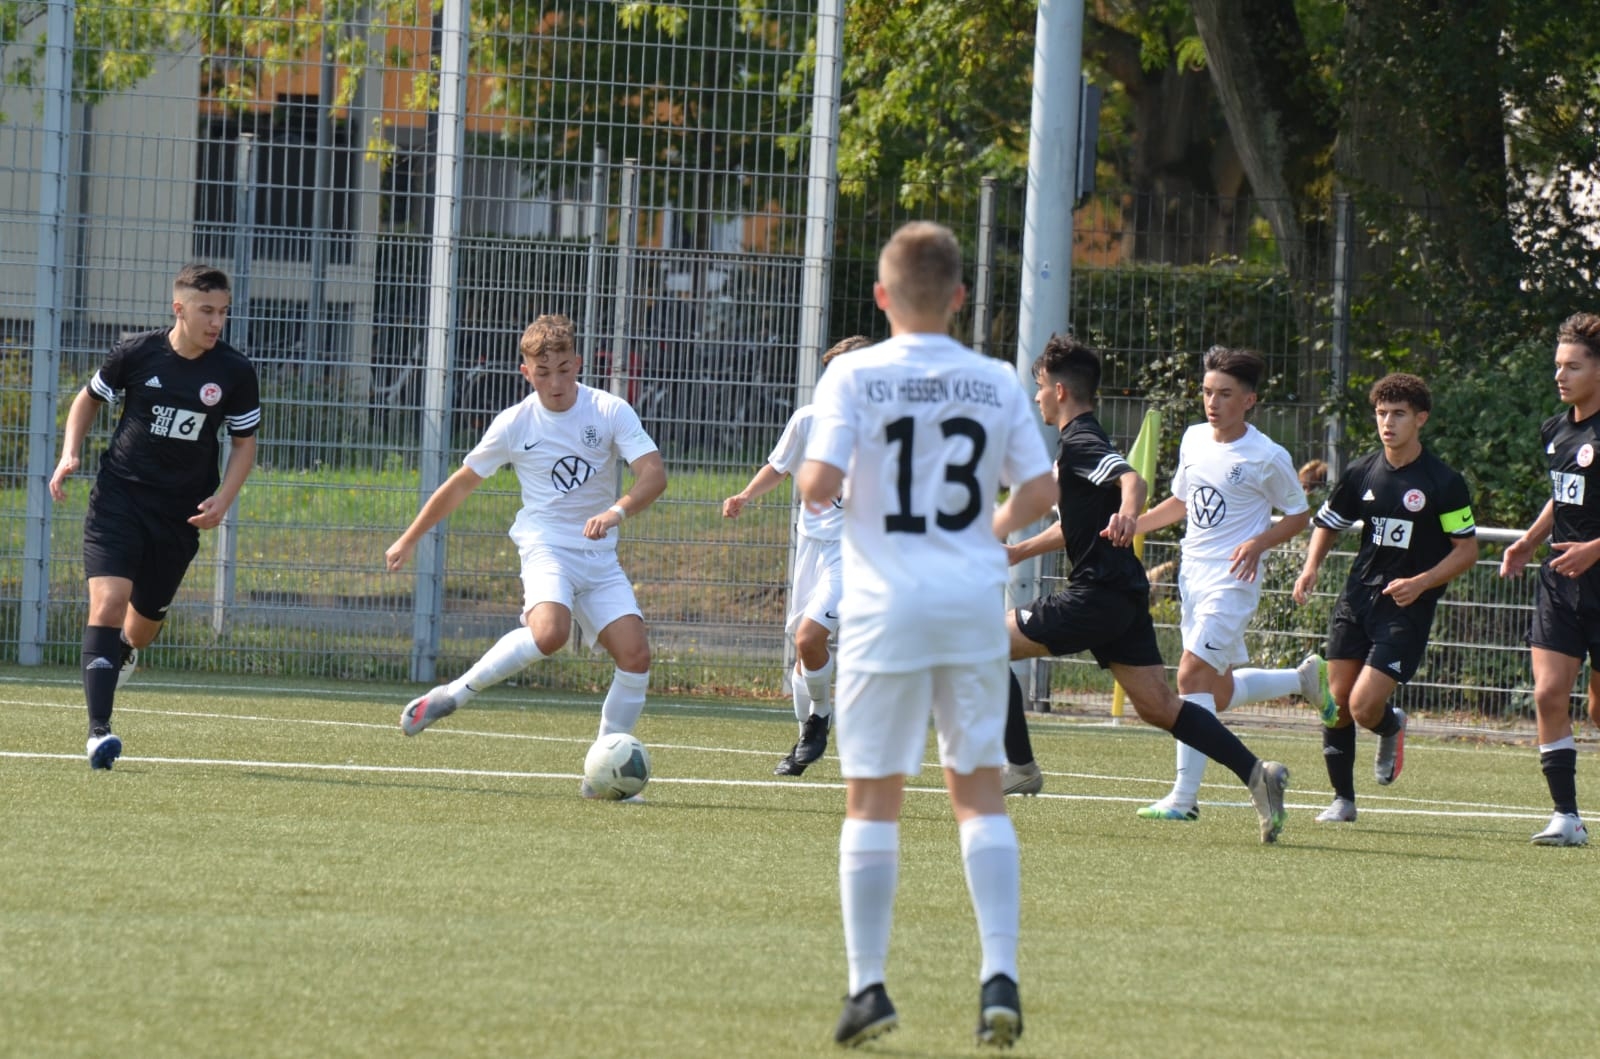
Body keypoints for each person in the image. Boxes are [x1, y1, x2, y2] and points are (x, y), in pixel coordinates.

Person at [798, 222, 1055, 1049]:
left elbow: (817, 484)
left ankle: (867, 986)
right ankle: (999, 976)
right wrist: (992, 527)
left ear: (881, 296)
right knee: (978, 791)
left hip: (886, 604)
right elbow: (1040, 489)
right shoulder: (995, 378)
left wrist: (836, 470)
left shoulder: (852, 374)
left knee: (874, 796)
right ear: (959, 297)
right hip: (972, 599)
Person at [996, 335, 1292, 845]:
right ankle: (1256, 774)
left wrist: (1130, 512)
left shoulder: (1080, 441)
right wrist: (1019, 551)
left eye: (1040, 387)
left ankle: (1019, 765)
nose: (1037, 397)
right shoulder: (1079, 444)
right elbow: (1081, 525)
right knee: (1159, 707)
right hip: (1123, 597)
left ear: (1059, 391)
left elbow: (1131, 480)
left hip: (1095, 595)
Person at [385, 314, 667, 798]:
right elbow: (461, 484)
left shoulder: (608, 410)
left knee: (636, 656)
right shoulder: (514, 423)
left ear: (578, 363)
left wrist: (615, 512)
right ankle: (452, 695)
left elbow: (653, 474)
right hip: (546, 547)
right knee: (550, 633)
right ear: (526, 373)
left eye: (564, 369)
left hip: (599, 556)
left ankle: (600, 775)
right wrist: (410, 537)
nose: (555, 383)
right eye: (543, 373)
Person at [49, 264, 261, 769]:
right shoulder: (137, 353)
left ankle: (124, 649)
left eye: (223, 312)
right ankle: (99, 733)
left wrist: (223, 499)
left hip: (179, 517)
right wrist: (70, 452)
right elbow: (87, 399)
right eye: (207, 311)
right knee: (108, 602)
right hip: (119, 499)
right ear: (179, 309)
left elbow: (244, 443)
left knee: (140, 631)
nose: (216, 322)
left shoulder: (234, 372)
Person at [1131, 346, 1324, 822]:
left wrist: (1258, 542)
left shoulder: (1267, 456)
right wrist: (1133, 525)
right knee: (1213, 694)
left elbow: (1298, 515)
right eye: (1207, 392)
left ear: (1249, 400)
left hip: (1232, 582)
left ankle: (1183, 799)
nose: (1212, 402)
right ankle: (1302, 680)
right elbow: (1181, 503)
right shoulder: (1195, 438)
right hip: (1193, 576)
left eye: (1224, 394)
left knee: (1189, 677)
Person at [1293, 373, 1478, 823]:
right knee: (1336, 703)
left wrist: (1421, 582)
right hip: (1357, 598)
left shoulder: (1443, 482)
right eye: (1381, 414)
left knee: (1363, 707)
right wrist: (1311, 566)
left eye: (1398, 414)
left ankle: (1390, 725)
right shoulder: (1362, 472)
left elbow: (1467, 551)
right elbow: (1329, 522)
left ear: (1421, 419)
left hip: (1406, 607)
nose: (1387, 423)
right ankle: (1343, 800)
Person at [722, 334, 870, 776]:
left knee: (809, 638)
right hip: (810, 547)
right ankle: (807, 737)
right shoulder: (808, 420)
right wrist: (746, 495)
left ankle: (820, 719)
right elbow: (779, 466)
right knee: (803, 651)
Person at [1498, 312, 1600, 846]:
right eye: (1558, 365)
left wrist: (1595, 549)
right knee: (1548, 693)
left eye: (1573, 366)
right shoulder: (1555, 430)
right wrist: (1528, 540)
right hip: (1561, 585)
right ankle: (1567, 817)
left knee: (1598, 711)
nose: (1560, 375)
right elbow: (1562, 495)